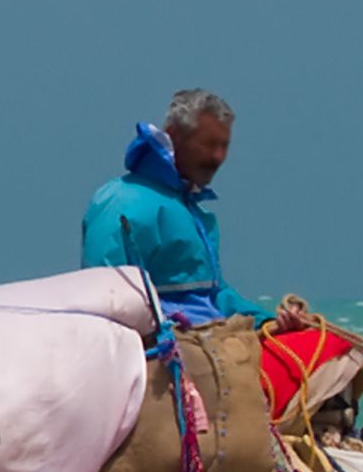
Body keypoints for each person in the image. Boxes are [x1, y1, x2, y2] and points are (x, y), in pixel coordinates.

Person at [81, 89, 314, 330]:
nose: (218, 157)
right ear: (173, 136)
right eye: (209, 144)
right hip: (170, 351)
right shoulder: (121, 202)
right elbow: (106, 298)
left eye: (225, 146)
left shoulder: (190, 211)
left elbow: (214, 296)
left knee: (326, 347)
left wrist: (269, 322)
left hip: (213, 340)